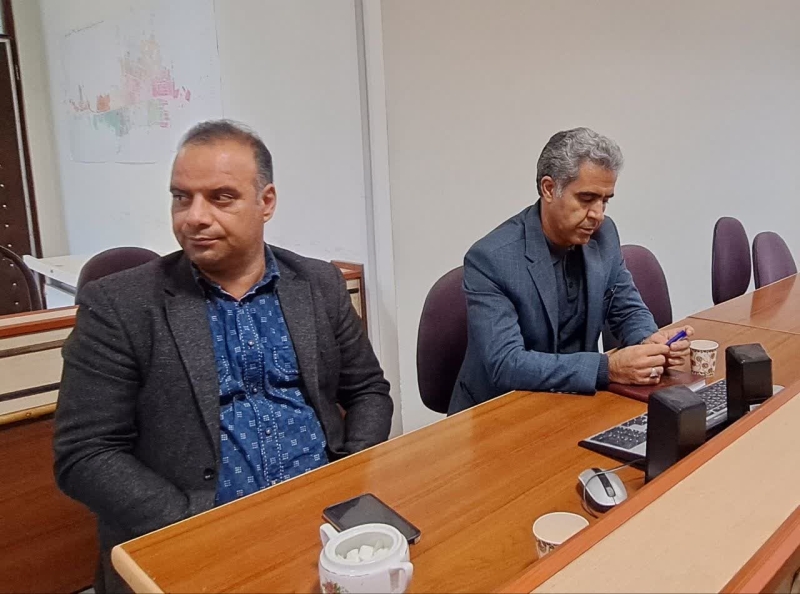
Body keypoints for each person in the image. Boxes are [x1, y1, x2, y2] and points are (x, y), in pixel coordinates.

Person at [54, 120, 393, 592]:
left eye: (221, 197)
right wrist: (194, 524)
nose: (194, 216)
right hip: (191, 531)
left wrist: (347, 478)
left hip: (323, 520)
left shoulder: (317, 284)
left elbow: (368, 391)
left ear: (266, 202)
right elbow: (84, 453)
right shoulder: (120, 305)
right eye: (181, 197)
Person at [449, 127, 692, 414]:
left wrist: (648, 341)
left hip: (574, 400)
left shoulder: (604, 235)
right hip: (501, 410)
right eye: (587, 199)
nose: (598, 214)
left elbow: (626, 308)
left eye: (605, 200)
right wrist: (607, 368)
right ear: (549, 189)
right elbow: (506, 364)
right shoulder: (491, 259)